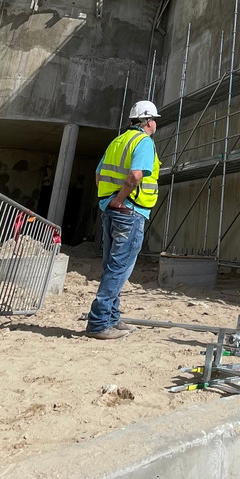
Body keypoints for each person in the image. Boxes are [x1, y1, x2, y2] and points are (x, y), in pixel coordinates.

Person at [85, 100, 160, 340]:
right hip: (129, 212)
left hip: (112, 211)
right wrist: (120, 199)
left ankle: (112, 318)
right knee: (119, 268)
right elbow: (135, 176)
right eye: (154, 120)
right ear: (148, 121)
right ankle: (98, 323)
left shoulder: (117, 142)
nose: (155, 124)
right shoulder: (144, 142)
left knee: (112, 266)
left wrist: (110, 200)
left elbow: (98, 175)